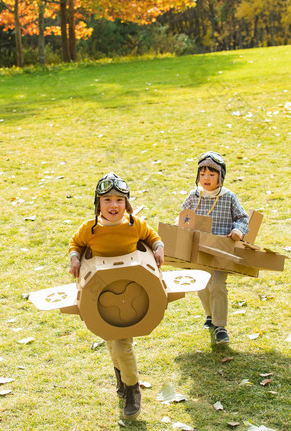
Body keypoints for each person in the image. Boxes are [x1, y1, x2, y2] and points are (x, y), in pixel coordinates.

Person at [68, 172, 164, 419]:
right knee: (110, 338)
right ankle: (121, 379)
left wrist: (159, 247)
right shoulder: (90, 228)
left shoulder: (134, 224)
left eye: (119, 200)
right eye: (107, 200)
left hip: (132, 292)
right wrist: (75, 258)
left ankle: (132, 390)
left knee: (122, 342)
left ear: (127, 203)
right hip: (102, 291)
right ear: (98, 203)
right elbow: (75, 243)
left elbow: (152, 236)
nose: (113, 205)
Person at [180, 151, 249, 344]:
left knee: (217, 285)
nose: (206, 178)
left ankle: (220, 326)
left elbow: (242, 218)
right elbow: (183, 217)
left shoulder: (229, 197)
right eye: (203, 174)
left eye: (212, 174)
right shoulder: (194, 196)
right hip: (199, 251)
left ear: (220, 176)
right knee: (202, 287)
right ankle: (210, 316)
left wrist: (238, 230)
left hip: (221, 251)